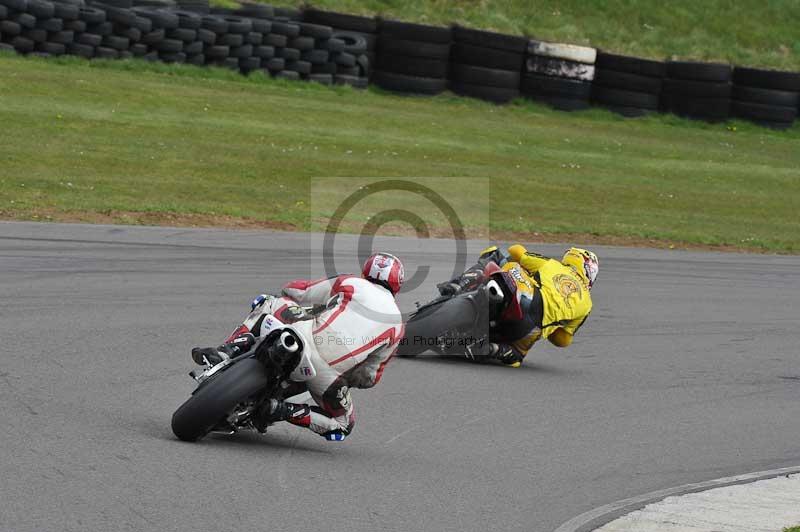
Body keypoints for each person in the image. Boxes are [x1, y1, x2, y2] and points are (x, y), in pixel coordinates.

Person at [192, 252, 405, 441]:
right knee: (342, 426)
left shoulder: (351, 283)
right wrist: (346, 379)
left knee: (270, 302)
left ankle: (226, 350)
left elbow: (300, 290)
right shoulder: (397, 326)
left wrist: (295, 298)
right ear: (398, 284)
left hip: (303, 335)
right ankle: (280, 410)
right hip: (326, 377)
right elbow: (370, 377)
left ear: (365, 271)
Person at [438, 244, 597, 368]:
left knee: (496, 254)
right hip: (528, 328)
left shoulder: (552, 265)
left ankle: (458, 284)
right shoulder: (587, 305)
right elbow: (563, 340)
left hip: (524, 293)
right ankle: (496, 349)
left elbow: (516, 251)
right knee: (517, 356)